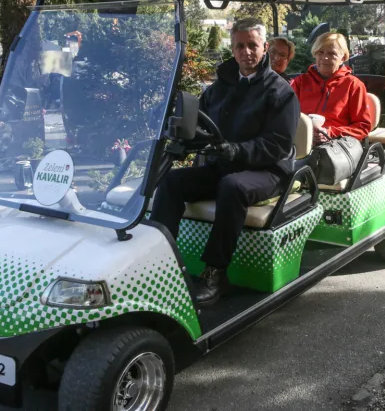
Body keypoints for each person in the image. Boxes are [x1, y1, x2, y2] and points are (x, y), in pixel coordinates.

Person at [151, 18, 299, 306]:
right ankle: (160, 261)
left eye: (252, 45)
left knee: (232, 186)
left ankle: (215, 273)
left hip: (268, 170)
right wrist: (183, 138)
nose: (246, 52)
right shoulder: (219, 88)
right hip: (225, 164)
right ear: (232, 49)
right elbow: (201, 125)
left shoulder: (280, 92)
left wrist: (237, 150)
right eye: (240, 46)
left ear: (264, 47)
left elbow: (278, 145)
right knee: (171, 181)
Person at [290, 32, 373, 143]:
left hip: (335, 145)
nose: (325, 57)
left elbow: (362, 127)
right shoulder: (301, 82)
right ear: (314, 54)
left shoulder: (353, 85)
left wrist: (329, 133)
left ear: (343, 57)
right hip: (301, 141)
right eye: (320, 52)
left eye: (332, 53)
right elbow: (287, 116)